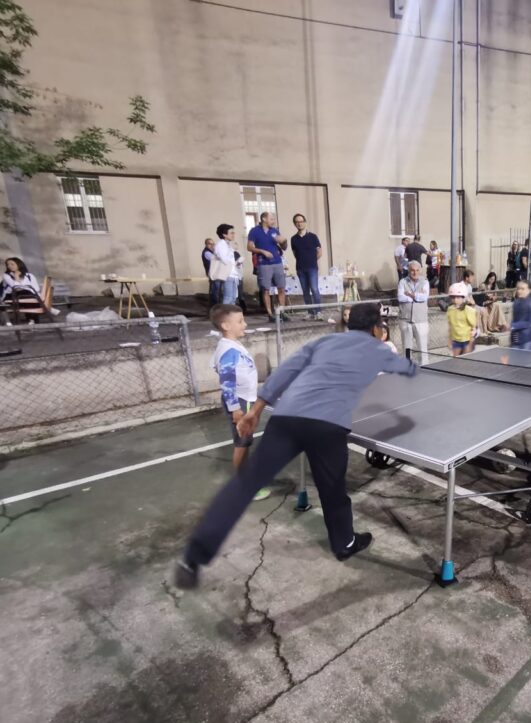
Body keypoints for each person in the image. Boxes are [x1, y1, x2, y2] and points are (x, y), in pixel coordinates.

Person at [174, 303, 418, 590]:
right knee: (333, 491)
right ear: (376, 328)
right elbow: (407, 368)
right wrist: (408, 369)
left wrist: (255, 411)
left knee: (245, 484)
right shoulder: (378, 349)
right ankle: (344, 543)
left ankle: (193, 557)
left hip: (286, 418)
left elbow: (284, 373)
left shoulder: (324, 341)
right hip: (327, 426)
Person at [209, 304, 272, 501]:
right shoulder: (229, 350)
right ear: (225, 326)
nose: (244, 324)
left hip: (244, 400)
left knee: (244, 442)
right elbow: (227, 383)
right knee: (242, 444)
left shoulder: (230, 345)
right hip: (241, 402)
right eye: (240, 321)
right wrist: (235, 409)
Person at [247, 212, 287, 319]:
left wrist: (284, 241)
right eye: (271, 219)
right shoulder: (254, 231)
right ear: (264, 219)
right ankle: (270, 314)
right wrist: (262, 251)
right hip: (264, 264)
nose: (273, 221)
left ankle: (282, 312)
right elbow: (249, 247)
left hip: (277, 262)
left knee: (281, 288)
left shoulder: (275, 231)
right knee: (266, 289)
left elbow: (284, 247)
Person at [290, 213, 323, 319]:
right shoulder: (293, 239)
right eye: (297, 222)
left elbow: (319, 252)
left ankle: (318, 312)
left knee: (314, 289)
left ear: (305, 222)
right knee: (305, 291)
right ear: (295, 224)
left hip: (312, 268)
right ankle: (310, 312)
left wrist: (312, 260)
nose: (299, 224)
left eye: (301, 221)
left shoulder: (313, 237)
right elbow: (295, 254)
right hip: (300, 268)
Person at [397, 260, 430, 364]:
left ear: (420, 270)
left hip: (421, 320)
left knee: (422, 348)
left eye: (417, 270)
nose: (415, 272)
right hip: (405, 319)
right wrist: (416, 297)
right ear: (408, 270)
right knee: (407, 348)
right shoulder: (402, 282)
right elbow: (400, 297)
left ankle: (424, 367)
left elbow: (424, 297)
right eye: (412, 270)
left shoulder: (425, 282)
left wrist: (410, 294)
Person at [0, 258, 46, 324]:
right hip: (11, 296)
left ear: (19, 264)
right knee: (26, 294)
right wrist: (16, 277)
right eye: (8, 264)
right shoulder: (6, 275)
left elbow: (36, 289)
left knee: (28, 298)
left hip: (28, 296)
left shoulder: (29, 275)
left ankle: (31, 320)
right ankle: (38, 314)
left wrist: (25, 289)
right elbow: (16, 288)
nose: (9, 266)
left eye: (12, 264)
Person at [209, 224, 242, 305]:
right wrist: (233, 250)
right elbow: (225, 260)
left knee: (233, 298)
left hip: (233, 274)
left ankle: (230, 313)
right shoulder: (221, 244)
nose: (233, 235)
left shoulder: (228, 244)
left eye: (234, 233)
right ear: (224, 234)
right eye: (231, 233)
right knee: (228, 298)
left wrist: (238, 262)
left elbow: (231, 261)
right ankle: (225, 313)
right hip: (227, 275)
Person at [447, 282, 478, 356]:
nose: (455, 300)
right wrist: (449, 340)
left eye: (458, 297)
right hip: (455, 340)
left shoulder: (468, 310)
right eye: (453, 297)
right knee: (456, 360)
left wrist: (471, 342)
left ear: (463, 297)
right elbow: (450, 327)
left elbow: (474, 327)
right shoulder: (450, 309)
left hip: (467, 340)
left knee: (466, 360)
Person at [510, 280, 531, 351]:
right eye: (518, 288)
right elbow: (515, 319)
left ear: (529, 290)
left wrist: (513, 326)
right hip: (515, 340)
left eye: (522, 289)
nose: (519, 291)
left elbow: (529, 323)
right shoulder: (516, 303)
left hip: (527, 340)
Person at [201, 238, 220, 306]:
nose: (212, 245)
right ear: (206, 244)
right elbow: (216, 260)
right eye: (210, 244)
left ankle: (214, 306)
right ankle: (215, 306)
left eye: (213, 244)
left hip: (215, 274)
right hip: (213, 274)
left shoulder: (211, 252)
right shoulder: (207, 253)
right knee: (215, 291)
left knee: (215, 290)